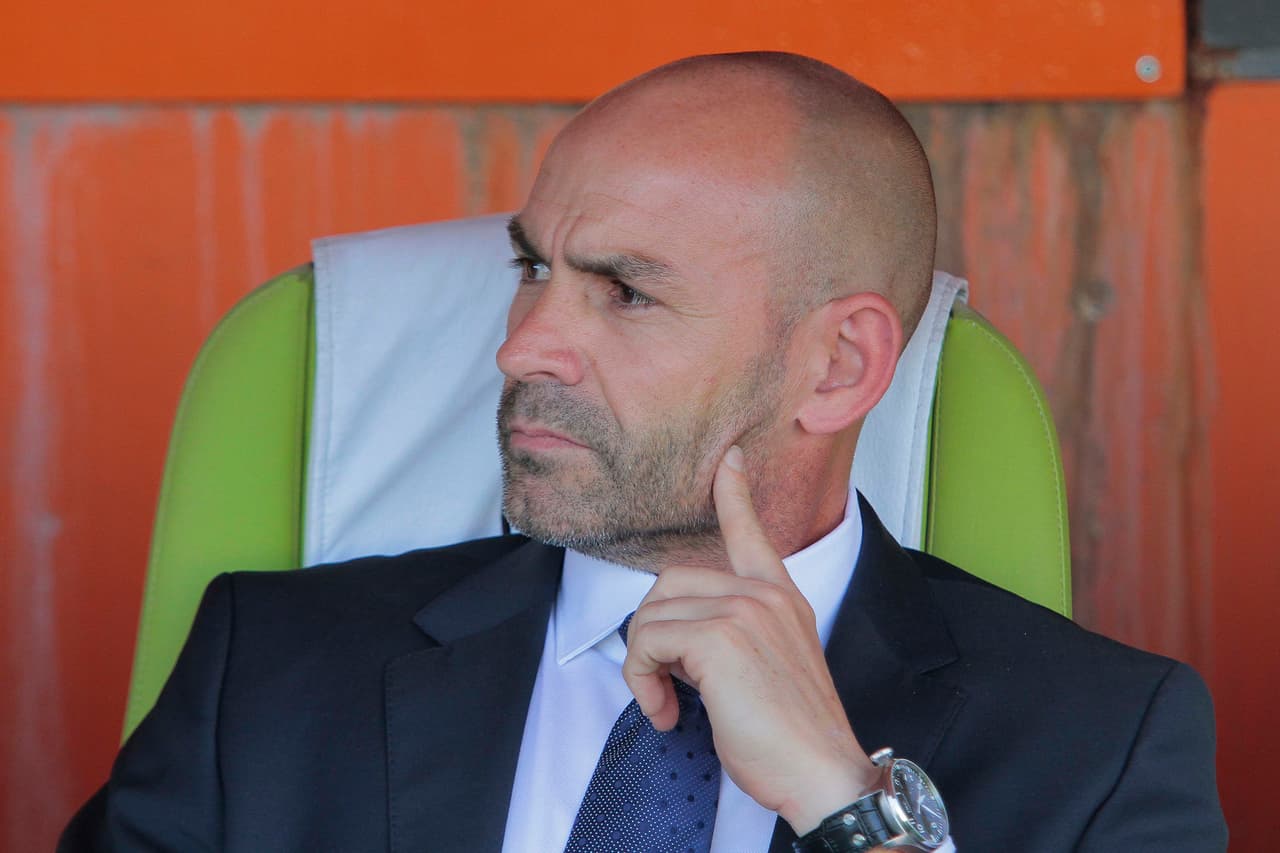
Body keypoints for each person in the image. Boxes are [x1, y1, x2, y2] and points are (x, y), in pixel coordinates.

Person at [61, 52, 1226, 851]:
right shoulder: (268, 669)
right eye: (531, 270)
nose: (524, 345)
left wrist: (847, 810)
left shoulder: (1100, 741)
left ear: (835, 367)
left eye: (623, 292)